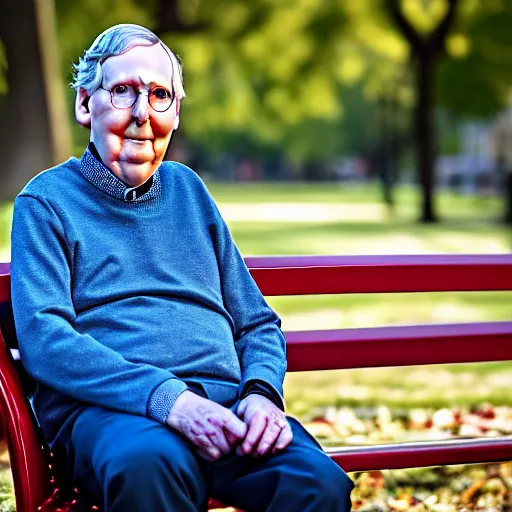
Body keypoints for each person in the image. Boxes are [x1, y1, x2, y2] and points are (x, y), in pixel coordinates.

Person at [10, 24, 353, 511]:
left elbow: (257, 323)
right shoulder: (46, 202)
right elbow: (46, 342)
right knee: (148, 467)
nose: (142, 115)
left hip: (225, 408)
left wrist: (260, 395)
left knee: (316, 483)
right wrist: (170, 400)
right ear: (86, 103)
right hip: (115, 413)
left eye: (160, 95)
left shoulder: (189, 191)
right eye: (124, 91)